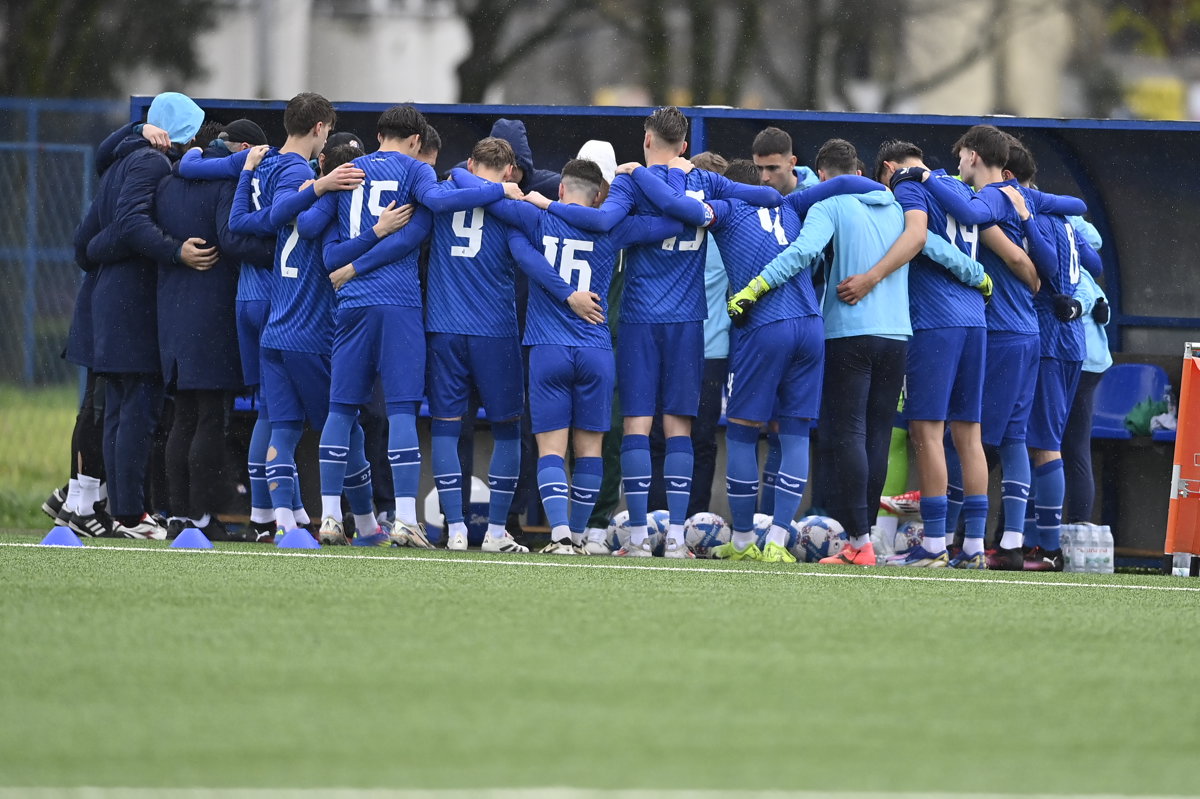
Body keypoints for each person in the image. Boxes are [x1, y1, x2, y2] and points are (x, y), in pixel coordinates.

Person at [540, 106, 781, 557]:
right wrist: (713, 208)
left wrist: (545, 203)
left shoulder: (632, 181)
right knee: (679, 429)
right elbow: (766, 197)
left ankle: (635, 538)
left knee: (636, 424)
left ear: (647, 139)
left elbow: (604, 223)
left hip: (640, 317)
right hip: (687, 321)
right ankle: (673, 537)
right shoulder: (704, 181)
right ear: (685, 146)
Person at [298, 104, 522, 547]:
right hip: (399, 304)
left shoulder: (348, 170)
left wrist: (323, 194)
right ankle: (403, 518)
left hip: (352, 306)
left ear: (379, 133)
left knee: (341, 409)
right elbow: (438, 203)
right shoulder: (416, 172)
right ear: (417, 142)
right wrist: (500, 191)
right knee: (401, 410)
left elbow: (314, 235)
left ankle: (327, 517)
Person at [633, 158, 823, 562]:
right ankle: (777, 541)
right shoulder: (788, 206)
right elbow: (837, 187)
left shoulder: (727, 209)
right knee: (794, 435)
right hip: (811, 325)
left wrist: (642, 173)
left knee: (739, 432)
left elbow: (682, 207)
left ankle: (740, 541)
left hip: (762, 327)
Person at [917, 125, 1087, 568]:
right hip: (1029, 331)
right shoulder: (1025, 197)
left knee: (965, 439)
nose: (956, 166)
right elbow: (1067, 225)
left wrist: (925, 177)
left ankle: (955, 541)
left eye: (960, 158)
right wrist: (1030, 231)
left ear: (973, 156)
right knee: (1014, 439)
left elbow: (985, 230)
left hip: (1000, 332)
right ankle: (1011, 541)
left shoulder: (990, 196)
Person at [504, 158, 684, 554]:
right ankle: (583, 536)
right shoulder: (613, 225)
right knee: (591, 450)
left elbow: (498, 216)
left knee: (552, 449)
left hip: (548, 347)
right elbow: (676, 222)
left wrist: (535, 201)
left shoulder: (536, 218)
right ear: (600, 195)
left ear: (562, 190)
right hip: (596, 350)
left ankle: (560, 535)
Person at [226, 93, 365, 537]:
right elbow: (295, 219)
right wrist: (321, 188)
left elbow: (245, 222)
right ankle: (362, 522)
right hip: (302, 322)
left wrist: (244, 171)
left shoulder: (262, 163)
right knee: (343, 427)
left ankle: (279, 518)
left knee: (278, 422)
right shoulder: (300, 177)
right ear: (321, 128)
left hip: (271, 315)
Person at [77, 92, 213, 539]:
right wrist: (176, 252)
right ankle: (133, 515)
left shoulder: (123, 159)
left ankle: (123, 511)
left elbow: (91, 238)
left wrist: (95, 249)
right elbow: (132, 224)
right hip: (131, 300)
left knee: (119, 408)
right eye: (192, 128)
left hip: (113, 298)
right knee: (138, 408)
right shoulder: (152, 164)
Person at [862, 139, 994, 569]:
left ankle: (934, 544)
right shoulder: (956, 186)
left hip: (937, 320)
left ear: (888, 168)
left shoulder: (909, 186)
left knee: (926, 432)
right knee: (968, 436)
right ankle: (973, 547)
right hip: (975, 319)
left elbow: (916, 237)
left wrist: (872, 275)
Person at [154, 119, 274, 542]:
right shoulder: (227, 181)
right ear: (242, 148)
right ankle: (201, 518)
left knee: (183, 415)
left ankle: (178, 515)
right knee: (210, 416)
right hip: (213, 310)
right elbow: (233, 238)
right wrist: (281, 252)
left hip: (172, 310)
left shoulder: (171, 180)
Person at [422, 137, 534, 553]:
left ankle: (454, 529)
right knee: (507, 431)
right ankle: (496, 532)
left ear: (470, 162)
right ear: (509, 172)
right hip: (494, 330)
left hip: (444, 328)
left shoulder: (445, 191)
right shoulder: (510, 203)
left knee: (447, 430)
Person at [999, 139, 1098, 571]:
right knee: (1039, 441)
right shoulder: (1059, 212)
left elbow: (1054, 271)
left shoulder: (1036, 213)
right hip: (1067, 338)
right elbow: (1092, 262)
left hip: (1051, 339)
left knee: (1043, 444)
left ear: (1005, 177)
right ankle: (1028, 542)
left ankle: (1049, 549)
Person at [751, 126, 819, 195]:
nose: (764, 178)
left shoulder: (816, 198)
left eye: (772, 168)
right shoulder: (747, 193)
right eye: (758, 168)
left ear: (791, 163)